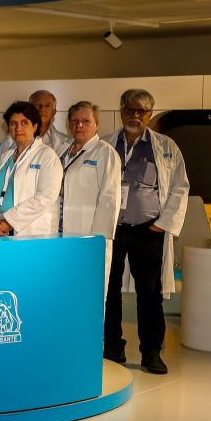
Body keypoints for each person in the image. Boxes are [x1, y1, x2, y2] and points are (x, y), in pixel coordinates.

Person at [104, 89, 190, 374]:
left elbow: (180, 187)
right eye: (130, 110)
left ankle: (151, 352)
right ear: (121, 110)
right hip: (112, 230)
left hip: (148, 230)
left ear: (150, 114)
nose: (135, 116)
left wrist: (162, 224)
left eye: (141, 111)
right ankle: (112, 347)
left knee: (150, 294)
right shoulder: (106, 145)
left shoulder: (166, 147)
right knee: (108, 291)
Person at [58, 101, 122, 284]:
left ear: (97, 124)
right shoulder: (62, 150)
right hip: (60, 233)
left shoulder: (105, 153)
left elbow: (110, 200)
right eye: (74, 121)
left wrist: (97, 241)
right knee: (63, 285)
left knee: (89, 287)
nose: (79, 125)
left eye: (86, 121)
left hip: (89, 235)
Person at [0, 101, 64, 238]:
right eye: (13, 123)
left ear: (35, 126)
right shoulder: (5, 156)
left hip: (32, 232)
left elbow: (45, 197)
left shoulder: (47, 156)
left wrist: (9, 222)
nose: (18, 127)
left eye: (24, 123)